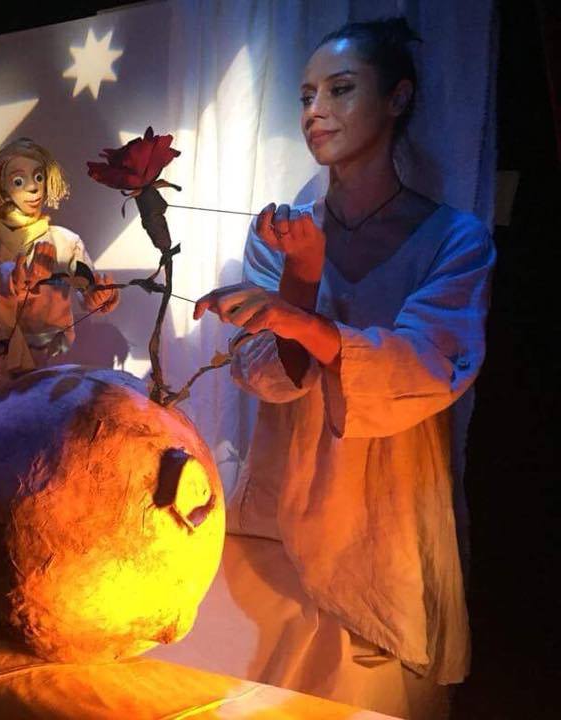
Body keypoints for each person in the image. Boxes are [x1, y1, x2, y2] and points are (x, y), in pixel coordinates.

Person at [191, 17, 495, 720]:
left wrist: (301, 316)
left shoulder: (456, 238)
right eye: (305, 95)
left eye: (340, 89)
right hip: (289, 501)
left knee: (370, 691)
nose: (315, 111)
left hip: (387, 511)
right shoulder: (283, 231)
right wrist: (300, 276)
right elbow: (268, 375)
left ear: (397, 98)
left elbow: (426, 367)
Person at [0, 138, 119, 387]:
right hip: (2, 357)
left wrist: (98, 296)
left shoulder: (64, 241)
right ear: (1, 184)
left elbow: (86, 288)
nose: (33, 188)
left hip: (53, 356)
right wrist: (12, 278)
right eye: (19, 180)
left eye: (38, 177)